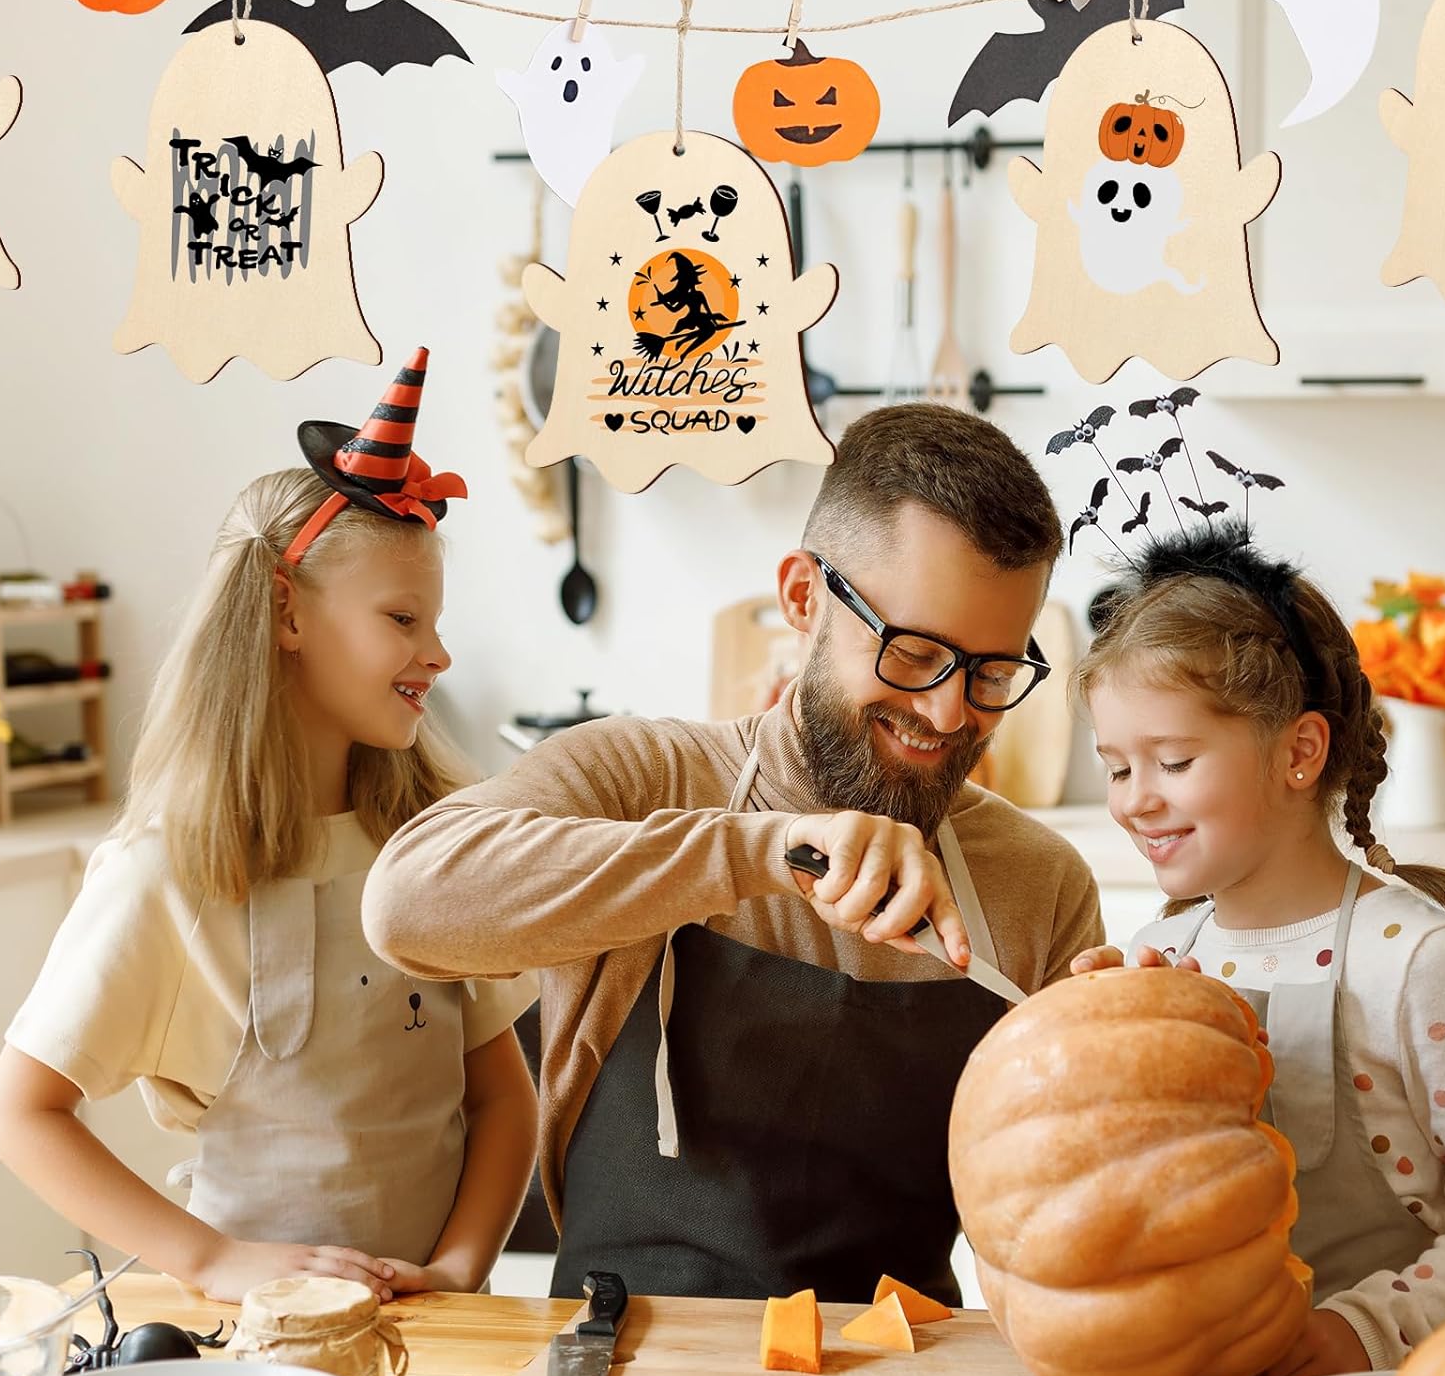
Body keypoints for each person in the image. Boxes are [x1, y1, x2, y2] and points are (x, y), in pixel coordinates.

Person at [363, 402, 1104, 1303]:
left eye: (991, 673)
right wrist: (763, 852)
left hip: (905, 1375)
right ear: (802, 598)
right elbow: (407, 905)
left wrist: (1132, 1057)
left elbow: (1069, 1220)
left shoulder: (1039, 881)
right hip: (622, 1363)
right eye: (914, 653)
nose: (951, 715)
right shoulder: (639, 776)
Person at [0, 350, 539, 1304]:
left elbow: (501, 1100)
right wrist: (209, 1260)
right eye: (403, 617)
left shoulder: (432, 844)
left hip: (441, 1324)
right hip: (261, 1352)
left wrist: (456, 1270)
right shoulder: (167, 871)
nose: (437, 653)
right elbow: (21, 1114)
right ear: (286, 611)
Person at [1070, 519, 1445, 1376]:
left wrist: (1365, 1332)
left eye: (1171, 761)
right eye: (1118, 768)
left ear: (1300, 753)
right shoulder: (1159, 953)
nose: (1135, 801)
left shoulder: (1415, 961)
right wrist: (1097, 1050)